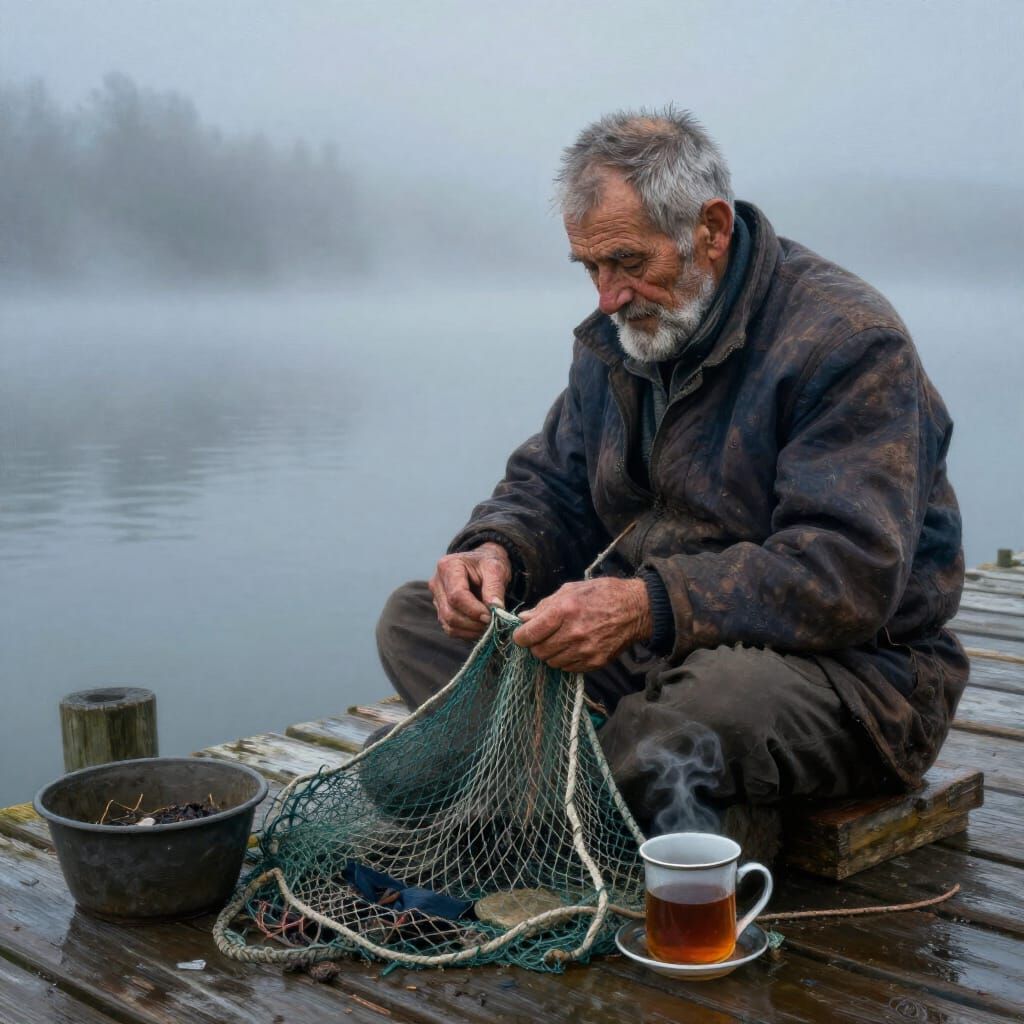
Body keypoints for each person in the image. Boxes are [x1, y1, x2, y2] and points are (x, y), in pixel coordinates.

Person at [375, 108, 967, 833]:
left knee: (711, 703)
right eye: (590, 267)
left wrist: (643, 606)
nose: (607, 295)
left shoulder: (847, 342)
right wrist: (491, 551)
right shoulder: (623, 338)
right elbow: (553, 487)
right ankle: (613, 794)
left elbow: (847, 574)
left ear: (710, 230)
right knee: (413, 621)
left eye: (628, 262)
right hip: (648, 660)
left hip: (853, 678)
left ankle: (518, 796)